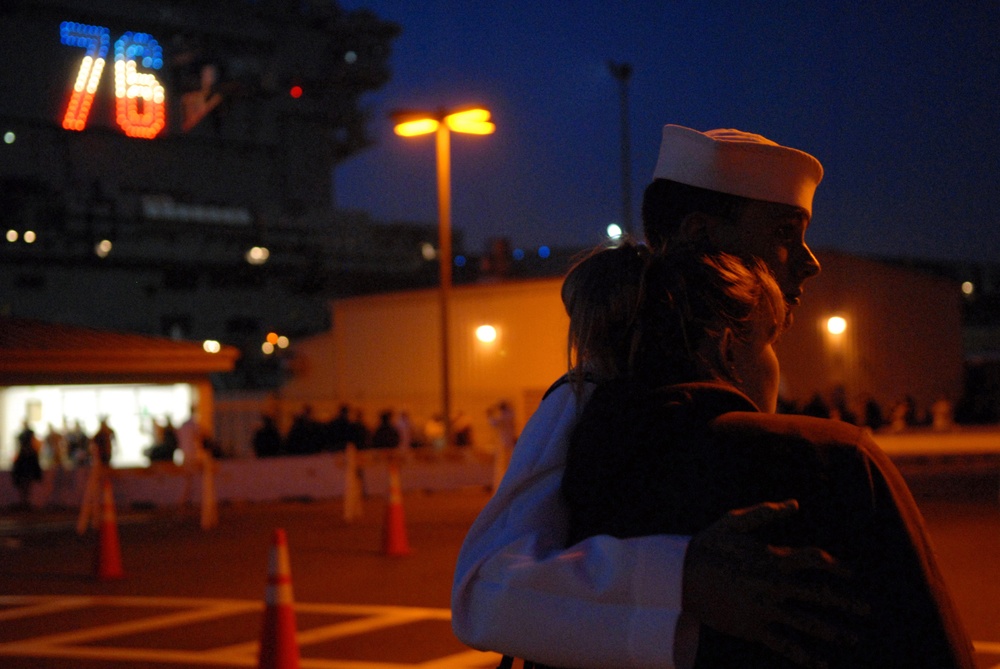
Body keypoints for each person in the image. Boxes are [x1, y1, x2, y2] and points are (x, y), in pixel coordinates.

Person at [452, 125, 855, 669]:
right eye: (786, 231)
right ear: (700, 234)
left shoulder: (756, 365)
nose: (810, 260)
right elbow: (484, 589)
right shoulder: (593, 390)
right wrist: (680, 576)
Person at [560, 245, 974, 668]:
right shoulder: (829, 458)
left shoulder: (576, 463)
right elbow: (929, 646)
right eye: (771, 341)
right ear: (725, 349)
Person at [11, 421, 42, 509]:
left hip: (27, 462)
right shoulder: (26, 454)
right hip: (25, 462)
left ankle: (25, 502)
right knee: (25, 484)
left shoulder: (29, 454)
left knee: (27, 484)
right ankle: (24, 502)